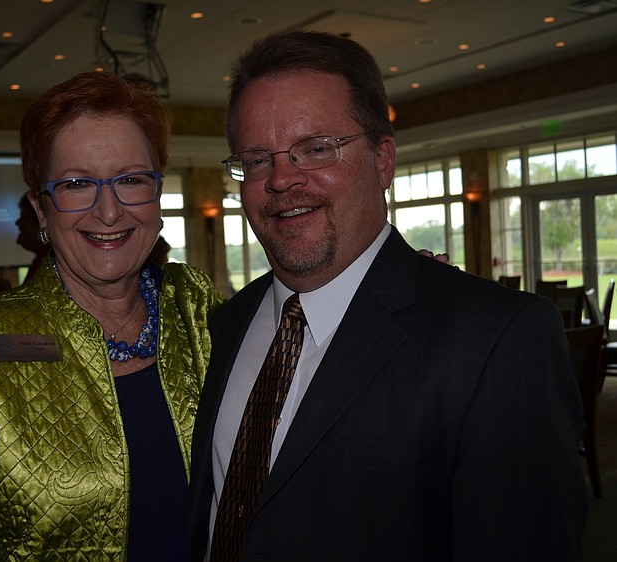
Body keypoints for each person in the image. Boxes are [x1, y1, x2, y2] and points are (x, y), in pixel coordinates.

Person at [188, 30, 587, 561]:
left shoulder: (494, 338)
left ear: (382, 161)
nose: (282, 179)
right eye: (257, 160)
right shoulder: (224, 324)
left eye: (317, 149)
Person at [0, 72, 223, 561]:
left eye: (131, 180)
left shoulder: (199, 309)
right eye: (76, 184)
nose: (109, 211)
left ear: (157, 196)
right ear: (42, 209)